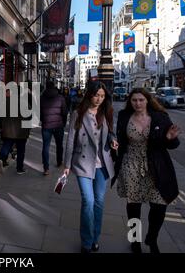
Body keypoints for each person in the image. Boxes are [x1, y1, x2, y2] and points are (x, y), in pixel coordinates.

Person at [112, 88, 181, 253]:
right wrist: (114, 146)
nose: (137, 103)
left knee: (159, 206)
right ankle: (135, 240)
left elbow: (172, 144)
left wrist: (169, 139)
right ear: (130, 101)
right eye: (134, 100)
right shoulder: (124, 116)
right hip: (131, 164)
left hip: (155, 166)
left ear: (147, 100)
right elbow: (120, 140)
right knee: (133, 206)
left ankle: (152, 238)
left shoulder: (160, 118)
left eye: (141, 100)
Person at [63, 81, 118, 253]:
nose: (99, 99)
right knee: (88, 201)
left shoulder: (106, 112)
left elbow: (111, 132)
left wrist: (113, 141)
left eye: (102, 96)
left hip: (102, 165)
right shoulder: (78, 113)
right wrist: (66, 164)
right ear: (90, 94)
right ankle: (86, 242)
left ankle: (95, 238)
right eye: (96, 95)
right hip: (83, 162)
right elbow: (70, 139)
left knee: (99, 203)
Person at [0, 89, 31, 175]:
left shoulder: (5, 102)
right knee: (21, 150)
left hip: (8, 130)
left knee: (6, 146)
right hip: (21, 132)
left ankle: (2, 159)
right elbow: (29, 116)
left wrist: (0, 126)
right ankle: (19, 168)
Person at [40, 81, 68, 175]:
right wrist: (63, 123)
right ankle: (59, 162)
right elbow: (64, 112)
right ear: (54, 87)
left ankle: (46, 168)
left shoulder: (42, 98)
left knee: (45, 146)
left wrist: (43, 120)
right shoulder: (60, 98)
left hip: (46, 126)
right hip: (58, 125)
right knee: (59, 145)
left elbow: (39, 112)